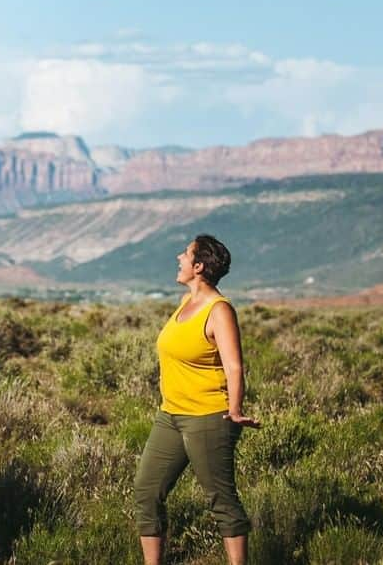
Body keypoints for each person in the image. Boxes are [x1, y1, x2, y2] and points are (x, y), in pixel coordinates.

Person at [133, 234, 260, 565]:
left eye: (185, 254)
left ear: (199, 266)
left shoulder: (219, 310)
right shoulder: (186, 303)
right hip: (170, 416)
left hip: (209, 416)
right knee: (147, 492)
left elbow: (234, 366)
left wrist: (234, 410)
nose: (179, 257)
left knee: (221, 499)